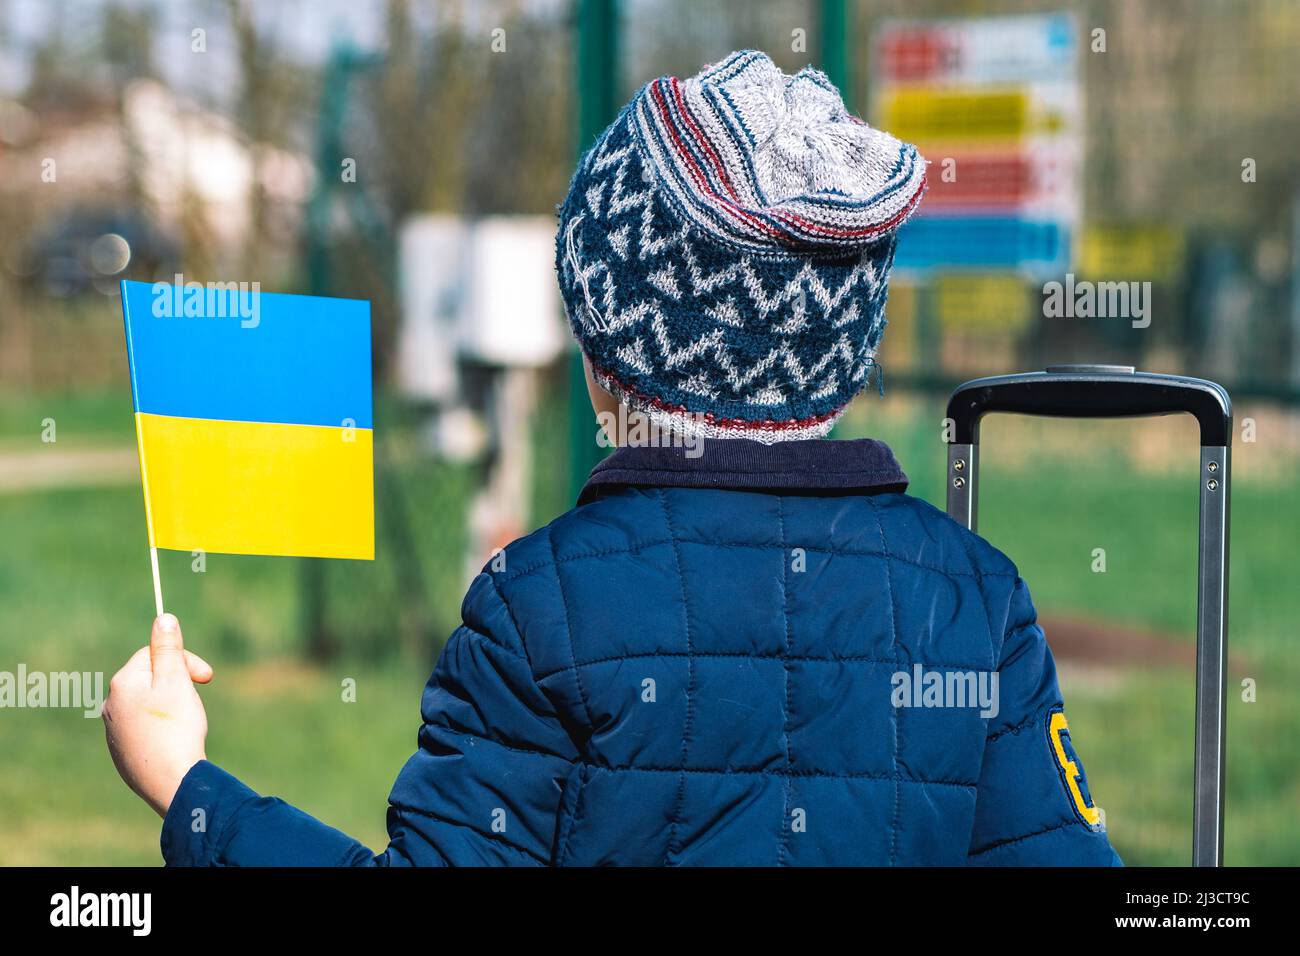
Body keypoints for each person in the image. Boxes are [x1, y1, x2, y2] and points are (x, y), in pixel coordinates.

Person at [103, 50, 1121, 866]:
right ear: (847, 357)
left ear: (605, 351)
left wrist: (189, 787)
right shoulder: (973, 598)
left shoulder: (539, 607)